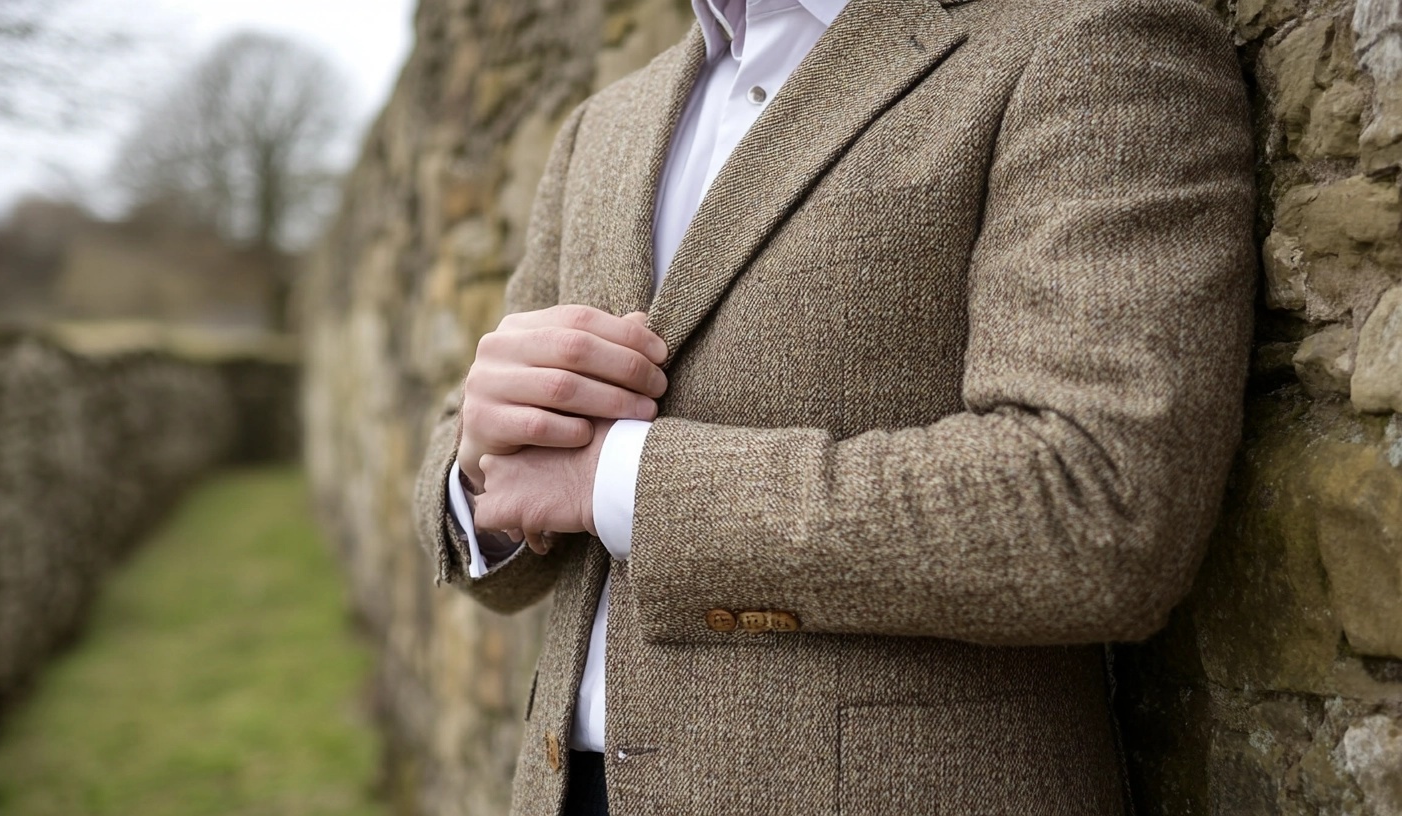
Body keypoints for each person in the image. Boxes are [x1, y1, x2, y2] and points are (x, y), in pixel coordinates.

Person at [413, 0, 1255, 812]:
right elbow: (487, 499)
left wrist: (620, 481)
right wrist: (478, 464)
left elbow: (1098, 507)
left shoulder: (1085, 40)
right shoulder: (602, 125)